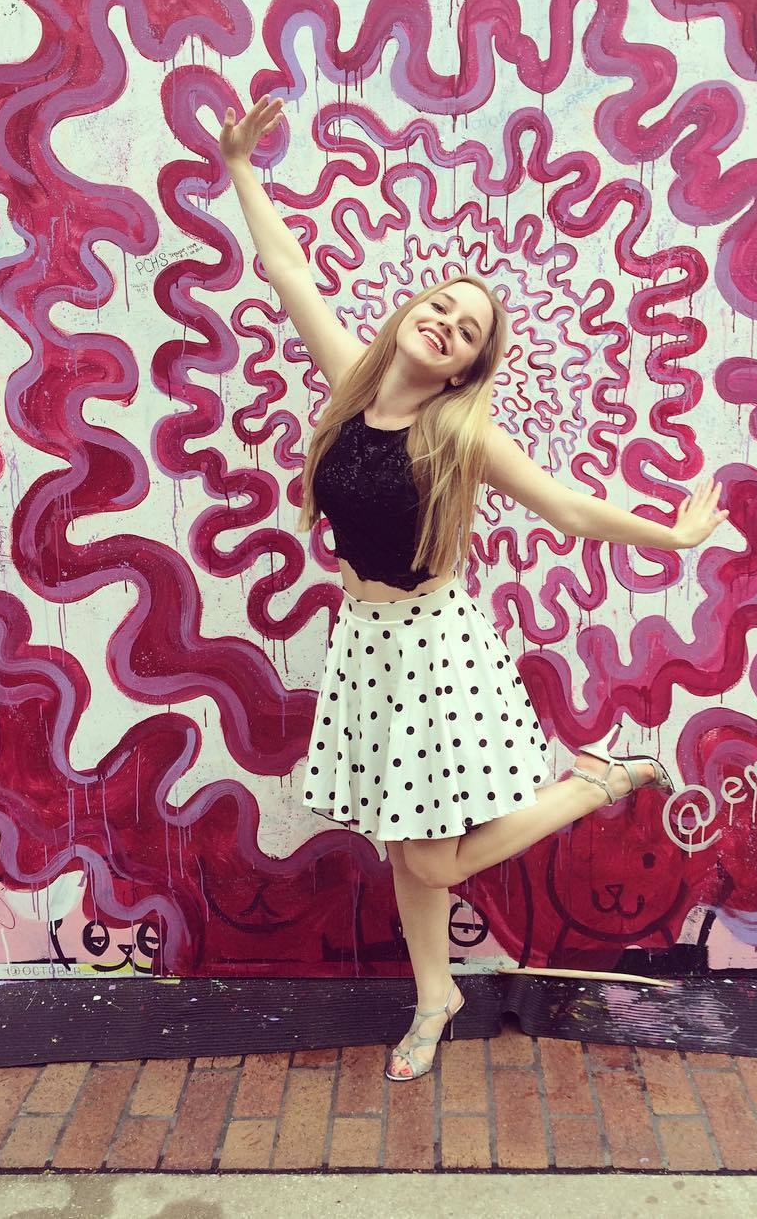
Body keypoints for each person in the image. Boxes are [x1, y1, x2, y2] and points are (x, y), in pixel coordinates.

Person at [219, 93, 729, 1083]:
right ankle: (435, 996)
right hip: (365, 644)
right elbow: (287, 270)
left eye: (467, 331)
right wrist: (241, 164)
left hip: (434, 648)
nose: (447, 325)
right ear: (410, 314)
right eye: (441, 307)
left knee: (431, 855)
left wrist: (673, 532)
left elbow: (570, 508)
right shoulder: (352, 384)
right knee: (404, 843)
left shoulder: (459, 433)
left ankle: (599, 779)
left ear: (466, 369)